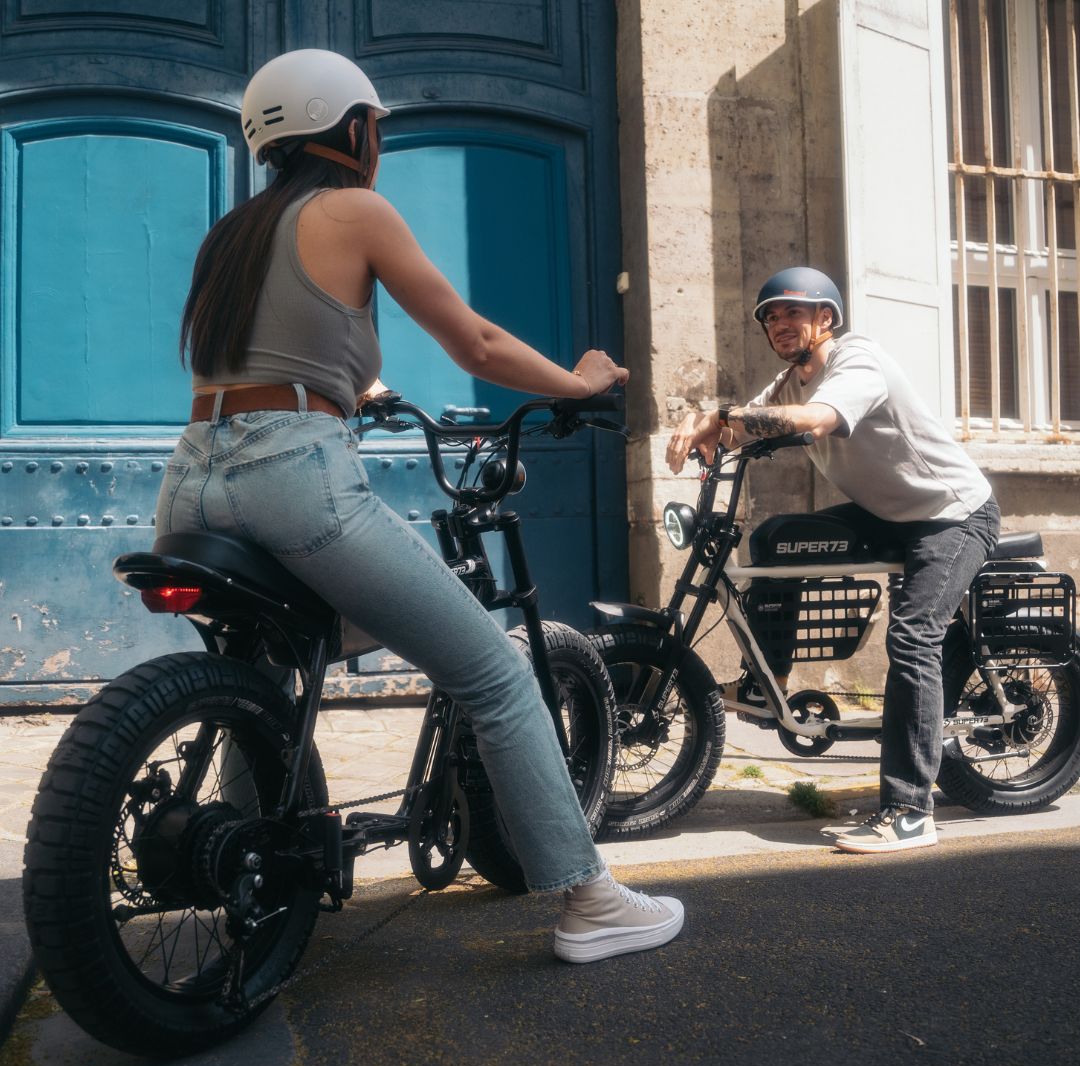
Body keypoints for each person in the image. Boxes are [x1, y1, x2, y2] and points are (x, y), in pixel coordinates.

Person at [158, 48, 683, 960]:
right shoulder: (355, 208)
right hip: (294, 478)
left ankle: (258, 877)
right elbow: (474, 341)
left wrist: (346, 384)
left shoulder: (233, 233)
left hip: (192, 481)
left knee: (262, 673)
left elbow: (249, 360)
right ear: (352, 128)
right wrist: (576, 381)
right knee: (492, 672)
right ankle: (588, 899)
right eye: (376, 129)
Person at [666, 266, 1000, 854]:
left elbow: (818, 420)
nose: (779, 323)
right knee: (775, 538)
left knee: (913, 638)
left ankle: (909, 812)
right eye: (771, 315)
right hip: (889, 513)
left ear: (826, 318)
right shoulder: (787, 383)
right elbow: (741, 428)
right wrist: (703, 426)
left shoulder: (857, 360)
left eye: (794, 311)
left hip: (952, 514)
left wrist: (721, 420)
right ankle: (770, 678)